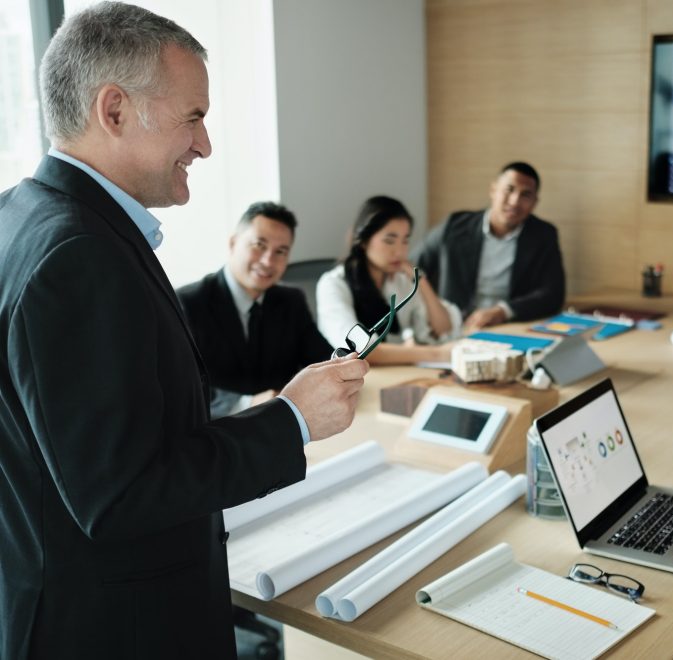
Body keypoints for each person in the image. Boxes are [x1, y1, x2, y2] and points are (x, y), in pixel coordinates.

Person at [0, 4, 367, 658]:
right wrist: (292, 421)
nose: (205, 145)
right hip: (114, 629)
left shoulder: (26, 215)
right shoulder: (78, 256)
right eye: (193, 117)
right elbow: (120, 492)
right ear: (113, 111)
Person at [177, 201, 332, 418]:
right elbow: (180, 389)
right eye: (259, 245)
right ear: (233, 243)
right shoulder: (187, 303)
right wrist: (247, 402)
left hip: (282, 426)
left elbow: (322, 359)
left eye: (281, 251)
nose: (268, 261)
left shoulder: (291, 300)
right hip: (218, 433)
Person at [412, 161, 565, 330]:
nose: (515, 201)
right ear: (493, 190)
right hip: (452, 326)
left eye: (526, 195)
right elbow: (413, 268)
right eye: (509, 189)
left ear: (535, 202)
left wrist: (503, 311)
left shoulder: (543, 235)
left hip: (508, 327)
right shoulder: (454, 226)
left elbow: (553, 294)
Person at [317, 195, 461, 365]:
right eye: (389, 241)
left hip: (395, 374)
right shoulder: (333, 284)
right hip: (349, 383)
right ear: (363, 241)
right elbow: (364, 351)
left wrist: (421, 281)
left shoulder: (399, 280)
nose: (399, 252)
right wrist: (436, 354)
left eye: (405, 241)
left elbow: (443, 328)